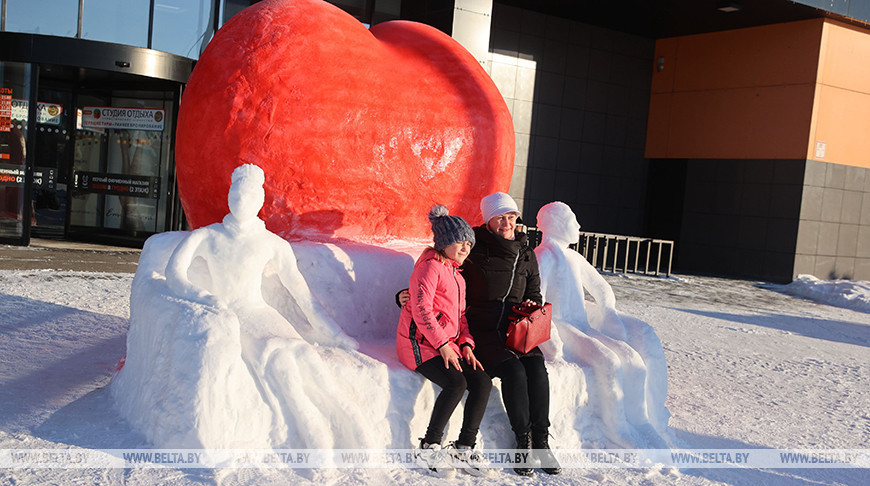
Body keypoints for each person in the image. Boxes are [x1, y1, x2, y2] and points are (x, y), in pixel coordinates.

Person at [460, 192, 561, 476]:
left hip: (517, 329)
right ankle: (522, 443)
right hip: (482, 329)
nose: (507, 223)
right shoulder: (475, 249)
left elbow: (534, 292)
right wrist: (406, 294)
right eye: (499, 217)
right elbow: (446, 275)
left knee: (537, 368)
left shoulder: (526, 252)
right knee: (514, 372)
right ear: (488, 221)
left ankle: (541, 441)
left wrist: (532, 304)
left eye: (511, 216)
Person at [396, 204, 492, 478]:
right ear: (445, 242)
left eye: (468, 244)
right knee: (456, 383)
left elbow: (461, 318)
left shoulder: (457, 276)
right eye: (460, 242)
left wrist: (466, 345)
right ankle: (429, 445)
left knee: (481, 381)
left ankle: (464, 447)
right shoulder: (429, 267)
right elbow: (421, 309)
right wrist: (442, 345)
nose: (465, 248)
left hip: (445, 346)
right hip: (417, 344)